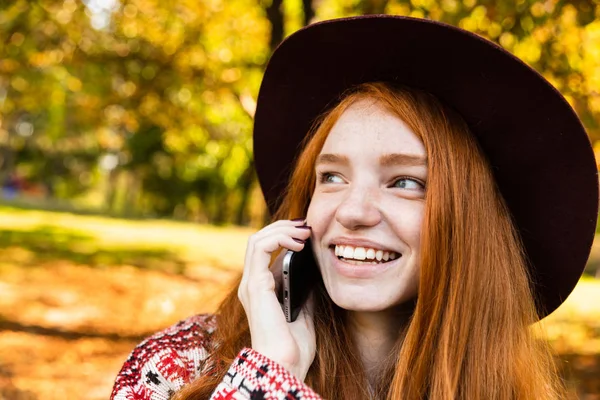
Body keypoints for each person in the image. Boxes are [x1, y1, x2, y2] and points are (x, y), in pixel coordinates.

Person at [110, 15, 599, 400]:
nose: (354, 210)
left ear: (472, 225)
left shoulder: (509, 389)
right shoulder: (179, 369)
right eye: (333, 177)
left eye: (405, 181)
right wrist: (271, 375)